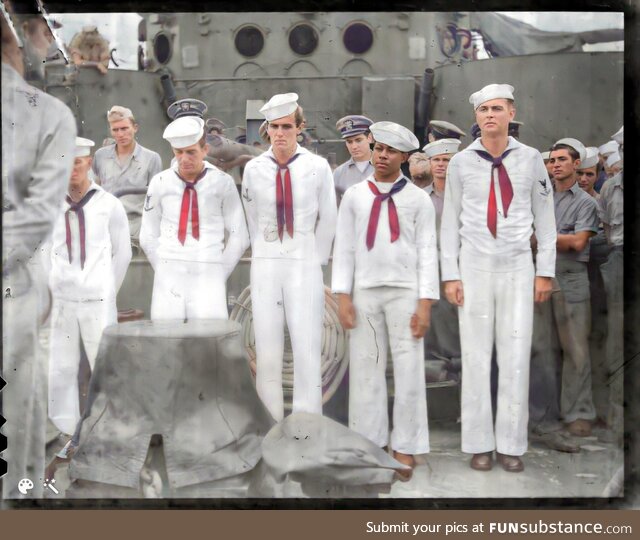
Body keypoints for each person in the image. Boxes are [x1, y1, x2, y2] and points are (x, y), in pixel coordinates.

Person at [440, 83, 556, 473]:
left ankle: (510, 445)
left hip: (517, 266)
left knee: (515, 357)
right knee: (475, 358)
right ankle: (478, 444)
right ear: (476, 117)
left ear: (511, 112)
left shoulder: (531, 160)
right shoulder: (460, 163)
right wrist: (451, 274)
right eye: (483, 109)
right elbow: (449, 223)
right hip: (474, 265)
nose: (489, 115)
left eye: (497, 108)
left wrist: (545, 272)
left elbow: (546, 220)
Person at [332, 121, 439, 480]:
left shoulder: (418, 200)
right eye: (378, 149)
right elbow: (344, 248)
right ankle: (369, 444)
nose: (381, 156)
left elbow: (427, 253)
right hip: (364, 292)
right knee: (365, 372)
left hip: (405, 293)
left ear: (405, 157)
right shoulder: (355, 196)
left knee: (408, 373)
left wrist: (425, 303)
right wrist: (343, 296)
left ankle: (406, 446)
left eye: (391, 151)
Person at [1, 1, 77, 498]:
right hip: (14, 287)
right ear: (27, 37)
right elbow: (36, 216)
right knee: (18, 422)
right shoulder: (50, 115)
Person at [241, 92, 337, 421]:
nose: (279, 133)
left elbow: (329, 217)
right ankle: (270, 424)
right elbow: (252, 216)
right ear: (266, 130)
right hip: (267, 264)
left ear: (300, 128)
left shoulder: (317, 167)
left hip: (304, 263)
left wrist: (315, 261)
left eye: (286, 126)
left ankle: (306, 424)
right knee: (267, 350)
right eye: (274, 127)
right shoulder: (254, 169)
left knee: (307, 347)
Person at [48, 137, 132, 436]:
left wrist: (107, 291)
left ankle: (106, 428)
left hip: (97, 300)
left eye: (79, 161)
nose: (72, 167)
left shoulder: (108, 205)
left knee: (104, 366)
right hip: (63, 301)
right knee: (61, 367)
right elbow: (44, 252)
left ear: (88, 162)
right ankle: (65, 429)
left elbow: (123, 253)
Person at [140, 100, 249, 321]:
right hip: (169, 274)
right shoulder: (160, 182)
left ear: (205, 149)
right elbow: (147, 235)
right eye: (178, 152)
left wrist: (219, 272)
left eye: (191, 152)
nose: (184, 159)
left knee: (208, 342)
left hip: (208, 271)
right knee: (166, 339)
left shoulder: (222, 183)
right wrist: (163, 268)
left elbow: (240, 236)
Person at [546, 140, 599, 436]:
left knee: (576, 348)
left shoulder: (587, 203)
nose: (556, 165)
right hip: (543, 275)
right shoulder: (542, 199)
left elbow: (578, 242)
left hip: (572, 276)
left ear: (576, 165)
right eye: (553, 160)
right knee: (544, 348)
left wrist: (543, 236)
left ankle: (579, 412)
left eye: (563, 160)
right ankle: (547, 412)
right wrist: (558, 236)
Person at [92, 105, 162, 241]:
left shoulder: (151, 158)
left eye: (124, 128)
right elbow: (94, 189)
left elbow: (155, 202)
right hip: (105, 228)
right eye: (115, 130)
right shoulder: (101, 156)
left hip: (137, 231)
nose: (120, 134)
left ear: (135, 128)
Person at [421, 138, 462, 366]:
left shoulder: (466, 196)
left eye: (446, 160)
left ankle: (457, 362)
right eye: (436, 160)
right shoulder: (421, 197)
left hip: (461, 263)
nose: (440, 165)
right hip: (431, 265)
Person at [597, 126, 623, 445]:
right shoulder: (610, 189)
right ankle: (620, 421)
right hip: (620, 257)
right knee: (618, 339)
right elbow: (606, 230)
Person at [332, 114, 374, 203]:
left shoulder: (386, 168)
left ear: (369, 138)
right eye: (349, 142)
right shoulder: (338, 174)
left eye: (358, 140)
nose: (354, 146)